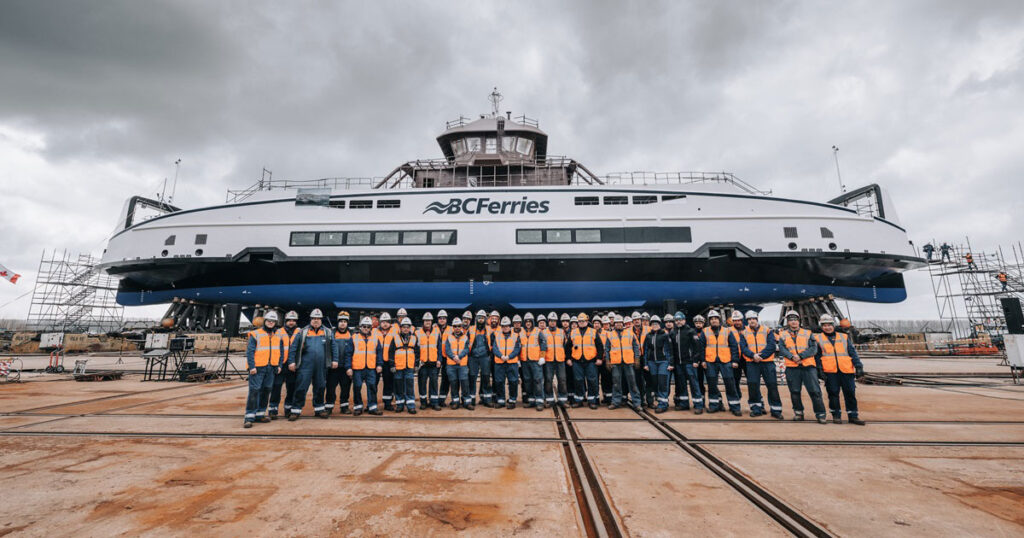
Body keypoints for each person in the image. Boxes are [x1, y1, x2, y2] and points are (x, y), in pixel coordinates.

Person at [776, 310, 827, 424]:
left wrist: (800, 356)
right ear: (788, 322)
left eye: (795, 320)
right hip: (792, 367)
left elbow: (814, 349)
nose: (793, 322)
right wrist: (791, 357)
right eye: (791, 320)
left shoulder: (808, 333)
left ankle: (821, 414)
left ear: (799, 321)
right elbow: (782, 348)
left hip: (808, 366)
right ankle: (798, 413)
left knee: (815, 391)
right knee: (795, 391)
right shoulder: (783, 334)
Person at [286, 308, 337, 420]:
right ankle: (295, 410)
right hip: (305, 366)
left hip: (321, 366)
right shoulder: (303, 332)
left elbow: (334, 347)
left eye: (318, 319)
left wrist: (335, 360)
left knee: (320, 387)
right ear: (310, 319)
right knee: (301, 387)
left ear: (321, 320)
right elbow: (293, 348)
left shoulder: (327, 332)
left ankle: (319, 409)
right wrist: (291, 362)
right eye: (314, 318)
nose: (316, 321)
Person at [815, 315, 866, 425]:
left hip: (846, 370)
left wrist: (858, 366)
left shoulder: (843, 337)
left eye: (829, 325)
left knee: (850, 393)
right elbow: (817, 356)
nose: (827, 327)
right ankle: (836, 415)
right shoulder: (818, 338)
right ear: (821, 327)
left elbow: (852, 352)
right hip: (830, 371)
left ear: (833, 325)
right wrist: (819, 370)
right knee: (833, 393)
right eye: (824, 325)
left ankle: (853, 416)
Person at [696, 310, 742, 416]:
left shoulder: (727, 331)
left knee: (730, 384)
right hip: (710, 362)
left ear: (719, 320)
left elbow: (734, 346)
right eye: (711, 319)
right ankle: (714, 405)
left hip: (725, 361)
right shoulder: (705, 331)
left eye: (715, 318)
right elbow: (701, 347)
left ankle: (735, 407)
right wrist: (703, 360)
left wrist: (735, 360)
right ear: (709, 321)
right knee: (712, 385)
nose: (714, 320)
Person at [243, 311, 284, 428]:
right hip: (258, 368)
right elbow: (250, 352)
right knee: (254, 391)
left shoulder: (278, 336)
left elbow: (280, 352)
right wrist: (252, 367)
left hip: (271, 368)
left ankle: (260, 414)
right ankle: (249, 416)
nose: (270, 323)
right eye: (268, 321)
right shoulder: (255, 334)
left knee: (266, 390)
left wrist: (279, 365)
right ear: (265, 321)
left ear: (275, 323)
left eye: (273, 321)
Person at [739, 311, 782, 419]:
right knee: (753, 385)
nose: (751, 321)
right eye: (749, 319)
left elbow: (771, 346)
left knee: (772, 385)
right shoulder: (744, 333)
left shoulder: (767, 330)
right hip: (752, 363)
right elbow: (743, 348)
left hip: (767, 362)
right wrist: (753, 355)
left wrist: (760, 356)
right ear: (747, 321)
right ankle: (756, 408)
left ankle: (776, 410)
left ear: (757, 319)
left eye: (753, 318)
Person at [668, 312, 703, 414]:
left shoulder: (690, 331)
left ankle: (698, 405)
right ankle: (684, 404)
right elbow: (671, 349)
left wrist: (696, 360)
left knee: (694, 384)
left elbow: (697, 347)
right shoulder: (672, 333)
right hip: (678, 364)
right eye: (676, 320)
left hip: (689, 363)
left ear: (684, 320)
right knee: (681, 384)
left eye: (680, 320)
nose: (678, 322)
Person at [347, 316, 383, 416]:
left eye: (368, 326)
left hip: (371, 368)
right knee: (357, 387)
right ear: (360, 327)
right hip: (357, 368)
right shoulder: (354, 338)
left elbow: (379, 353)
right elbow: (348, 353)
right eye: (364, 326)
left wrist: (379, 365)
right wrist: (348, 367)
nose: (366, 328)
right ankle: (358, 407)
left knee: (372, 387)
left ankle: (372, 407)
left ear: (371, 328)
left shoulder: (375, 338)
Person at [605, 314, 642, 410]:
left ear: (623, 324)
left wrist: (637, 358)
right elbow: (607, 349)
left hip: (628, 362)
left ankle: (637, 403)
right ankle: (616, 402)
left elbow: (635, 347)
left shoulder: (630, 333)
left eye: (620, 323)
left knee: (632, 382)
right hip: (616, 363)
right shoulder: (610, 334)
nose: (618, 325)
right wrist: (608, 360)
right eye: (617, 323)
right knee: (616, 383)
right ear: (614, 324)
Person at [268, 310, 300, 420]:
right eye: (289, 320)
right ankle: (273, 409)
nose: (291, 322)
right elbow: (275, 349)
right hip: (281, 365)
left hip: (293, 365)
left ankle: (288, 409)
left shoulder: (300, 332)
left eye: (293, 320)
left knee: (291, 388)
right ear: (285, 321)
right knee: (276, 387)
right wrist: (277, 364)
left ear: (296, 321)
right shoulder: (279, 332)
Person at [642, 315, 675, 413]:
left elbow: (670, 350)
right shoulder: (648, 336)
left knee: (663, 382)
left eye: (656, 324)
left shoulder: (665, 335)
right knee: (655, 383)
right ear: (651, 325)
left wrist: (671, 363)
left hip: (663, 362)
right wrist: (645, 364)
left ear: (659, 325)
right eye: (653, 324)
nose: (655, 325)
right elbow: (646, 351)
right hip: (652, 363)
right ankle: (660, 401)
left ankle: (663, 405)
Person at [570, 313, 601, 408]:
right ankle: (579, 400)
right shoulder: (573, 332)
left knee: (592, 380)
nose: (581, 323)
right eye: (579, 321)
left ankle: (592, 401)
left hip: (590, 361)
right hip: (577, 361)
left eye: (583, 321)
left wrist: (599, 358)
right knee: (578, 380)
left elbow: (599, 346)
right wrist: (568, 358)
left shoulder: (593, 331)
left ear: (587, 322)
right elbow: (568, 346)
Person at [389, 317, 419, 414]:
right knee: (399, 387)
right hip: (398, 367)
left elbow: (417, 352)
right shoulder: (395, 338)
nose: (406, 329)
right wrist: (392, 365)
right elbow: (391, 352)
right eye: (404, 327)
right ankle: (400, 405)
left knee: (410, 387)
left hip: (409, 367)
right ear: (400, 328)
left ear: (410, 328)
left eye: (407, 327)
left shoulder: (414, 338)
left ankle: (411, 406)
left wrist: (416, 364)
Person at [325, 311, 353, 415]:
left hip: (346, 367)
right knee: (331, 388)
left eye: (345, 321)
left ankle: (344, 407)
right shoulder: (331, 334)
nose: (342, 323)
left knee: (345, 388)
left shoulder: (352, 334)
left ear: (347, 323)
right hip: (333, 367)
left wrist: (350, 366)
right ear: (337, 322)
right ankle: (329, 406)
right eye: (341, 321)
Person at [491, 316, 522, 409]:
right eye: (503, 326)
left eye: (507, 326)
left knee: (513, 381)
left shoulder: (516, 336)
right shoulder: (497, 335)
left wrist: (509, 357)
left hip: (511, 363)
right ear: (501, 326)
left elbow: (517, 349)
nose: (505, 327)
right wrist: (501, 356)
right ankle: (501, 400)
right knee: (499, 381)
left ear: (510, 326)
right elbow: (495, 348)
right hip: (499, 363)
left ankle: (512, 400)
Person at [467, 310, 494, 408]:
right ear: (476, 319)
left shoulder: (489, 330)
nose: (481, 320)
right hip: (473, 358)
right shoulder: (471, 330)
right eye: (479, 318)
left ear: (485, 319)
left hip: (485, 358)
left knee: (486, 378)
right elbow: (466, 344)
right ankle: (471, 399)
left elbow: (493, 343)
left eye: (482, 318)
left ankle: (487, 399)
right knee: (472, 378)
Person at [416, 312, 442, 410]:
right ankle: (423, 402)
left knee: (434, 384)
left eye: (429, 321)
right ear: (423, 321)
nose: (428, 322)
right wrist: (417, 361)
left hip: (433, 363)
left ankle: (434, 402)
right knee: (422, 384)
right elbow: (416, 349)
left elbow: (439, 348)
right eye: (426, 321)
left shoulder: (436, 332)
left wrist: (439, 359)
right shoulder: (418, 332)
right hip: (422, 364)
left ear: (432, 322)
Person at [444, 318, 472, 409]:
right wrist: (454, 357)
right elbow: (447, 350)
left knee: (465, 383)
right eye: (455, 326)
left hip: (462, 364)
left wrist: (459, 357)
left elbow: (467, 349)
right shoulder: (448, 337)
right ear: (453, 327)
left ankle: (467, 402)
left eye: (459, 326)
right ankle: (455, 401)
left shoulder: (465, 337)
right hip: (451, 365)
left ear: (461, 327)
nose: (457, 328)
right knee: (454, 383)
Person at [544, 312, 569, 408]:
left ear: (556, 322)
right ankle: (549, 400)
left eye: (554, 321)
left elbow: (565, 346)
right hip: (548, 360)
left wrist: (566, 358)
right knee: (548, 380)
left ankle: (562, 400)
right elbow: (542, 347)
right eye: (551, 321)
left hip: (560, 360)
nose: (553, 323)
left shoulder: (561, 332)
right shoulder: (544, 332)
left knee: (562, 380)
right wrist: (542, 357)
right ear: (548, 321)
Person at [376, 312, 398, 411]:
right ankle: (371, 403)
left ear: (390, 323)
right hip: (376, 362)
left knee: (388, 383)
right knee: (373, 383)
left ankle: (387, 403)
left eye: (387, 322)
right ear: (380, 322)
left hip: (389, 362)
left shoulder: (395, 331)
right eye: (383, 322)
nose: (385, 324)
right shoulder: (374, 332)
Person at [727, 311, 747, 400]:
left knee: (751, 380)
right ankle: (737, 397)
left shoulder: (747, 330)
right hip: (735, 359)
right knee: (735, 380)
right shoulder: (728, 330)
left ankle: (756, 401)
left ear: (742, 321)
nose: (737, 322)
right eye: (735, 320)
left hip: (747, 358)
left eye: (738, 320)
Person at [436, 310, 452, 403]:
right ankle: (433, 399)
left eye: (444, 318)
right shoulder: (434, 328)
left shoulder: (451, 329)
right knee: (434, 379)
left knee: (445, 379)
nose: (442, 320)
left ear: (446, 319)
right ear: (438, 319)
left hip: (446, 358)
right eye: (440, 318)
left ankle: (442, 399)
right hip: (436, 358)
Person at [691, 314, 708, 397]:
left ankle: (718, 401)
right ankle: (701, 397)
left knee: (711, 381)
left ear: (703, 323)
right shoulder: (691, 333)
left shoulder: (707, 332)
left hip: (706, 360)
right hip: (696, 361)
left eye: (700, 323)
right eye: (697, 323)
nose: (698, 324)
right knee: (699, 380)